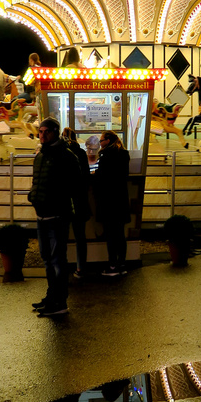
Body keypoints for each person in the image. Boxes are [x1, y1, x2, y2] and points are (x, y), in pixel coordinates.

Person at [28, 117, 83, 316]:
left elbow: (76, 185)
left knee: (57, 260)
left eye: (45, 131)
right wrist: (33, 195)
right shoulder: (42, 155)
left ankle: (60, 302)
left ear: (54, 132)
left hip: (58, 215)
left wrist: (53, 198)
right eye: (40, 131)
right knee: (47, 259)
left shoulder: (65, 156)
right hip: (42, 215)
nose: (41, 135)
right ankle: (52, 296)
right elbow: (37, 180)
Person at [93, 130, 130, 276]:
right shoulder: (123, 153)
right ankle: (122, 264)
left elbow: (102, 177)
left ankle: (112, 266)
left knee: (110, 235)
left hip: (108, 200)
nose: (100, 143)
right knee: (120, 234)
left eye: (101, 140)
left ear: (107, 141)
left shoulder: (106, 155)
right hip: (120, 199)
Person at [62, 126, 91, 279]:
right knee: (80, 236)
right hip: (80, 200)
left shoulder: (61, 153)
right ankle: (81, 267)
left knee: (62, 236)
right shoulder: (81, 152)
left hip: (65, 201)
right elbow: (86, 177)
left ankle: (62, 267)